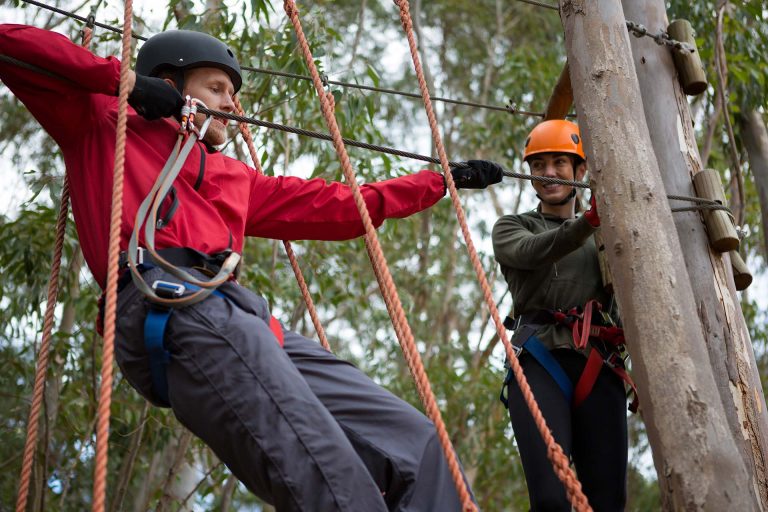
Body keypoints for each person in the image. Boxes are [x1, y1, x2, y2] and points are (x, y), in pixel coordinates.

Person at [0, 24, 501, 511]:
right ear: (170, 84)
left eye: (233, 94)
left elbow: (345, 205)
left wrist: (438, 182)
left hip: (244, 316)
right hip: (172, 302)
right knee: (332, 477)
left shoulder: (235, 178)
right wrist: (125, 83)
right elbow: (14, 45)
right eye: (216, 87)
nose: (230, 105)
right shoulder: (105, 122)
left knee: (420, 447)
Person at [484, 120, 630, 511]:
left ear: (580, 171)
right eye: (539, 165)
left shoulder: (609, 234)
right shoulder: (513, 227)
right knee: (552, 500)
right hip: (540, 360)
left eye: (559, 163)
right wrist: (588, 222)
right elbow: (535, 251)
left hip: (599, 364)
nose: (548, 173)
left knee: (608, 502)